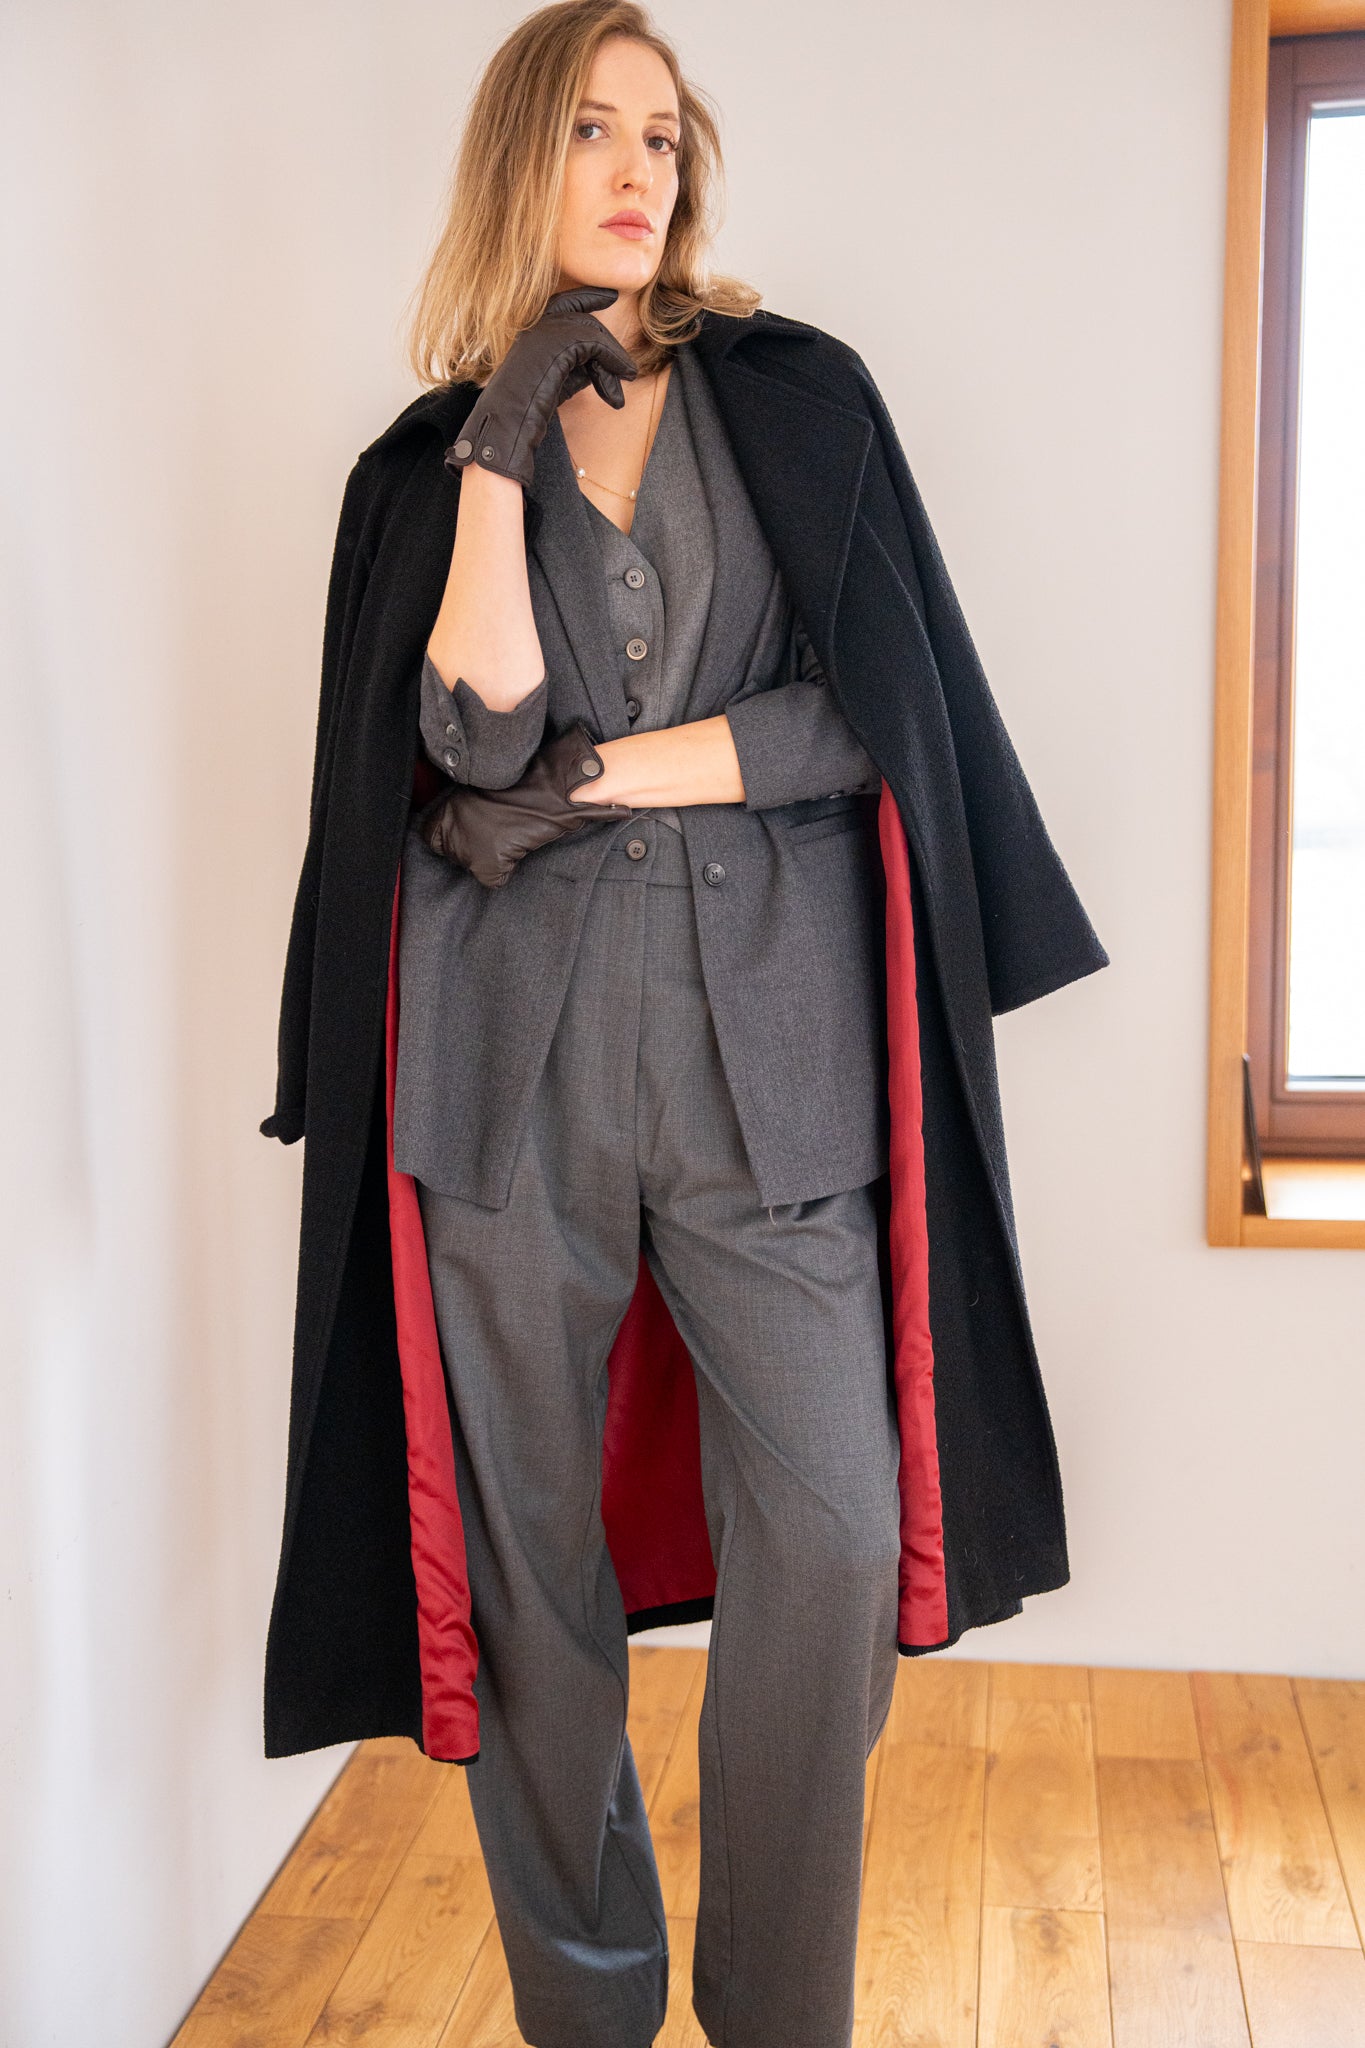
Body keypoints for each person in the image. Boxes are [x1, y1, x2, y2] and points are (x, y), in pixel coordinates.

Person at [259, 3, 1110, 2045]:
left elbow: (871, 715)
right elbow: (467, 736)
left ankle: (773, 2010)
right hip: (501, 1088)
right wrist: (498, 440)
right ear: (516, 162)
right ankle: (588, 2003)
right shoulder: (423, 467)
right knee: (526, 1579)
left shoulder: (797, 399)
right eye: (590, 129)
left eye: (660, 131)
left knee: (829, 1537)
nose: (637, 167)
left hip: (773, 1075)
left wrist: (611, 776)